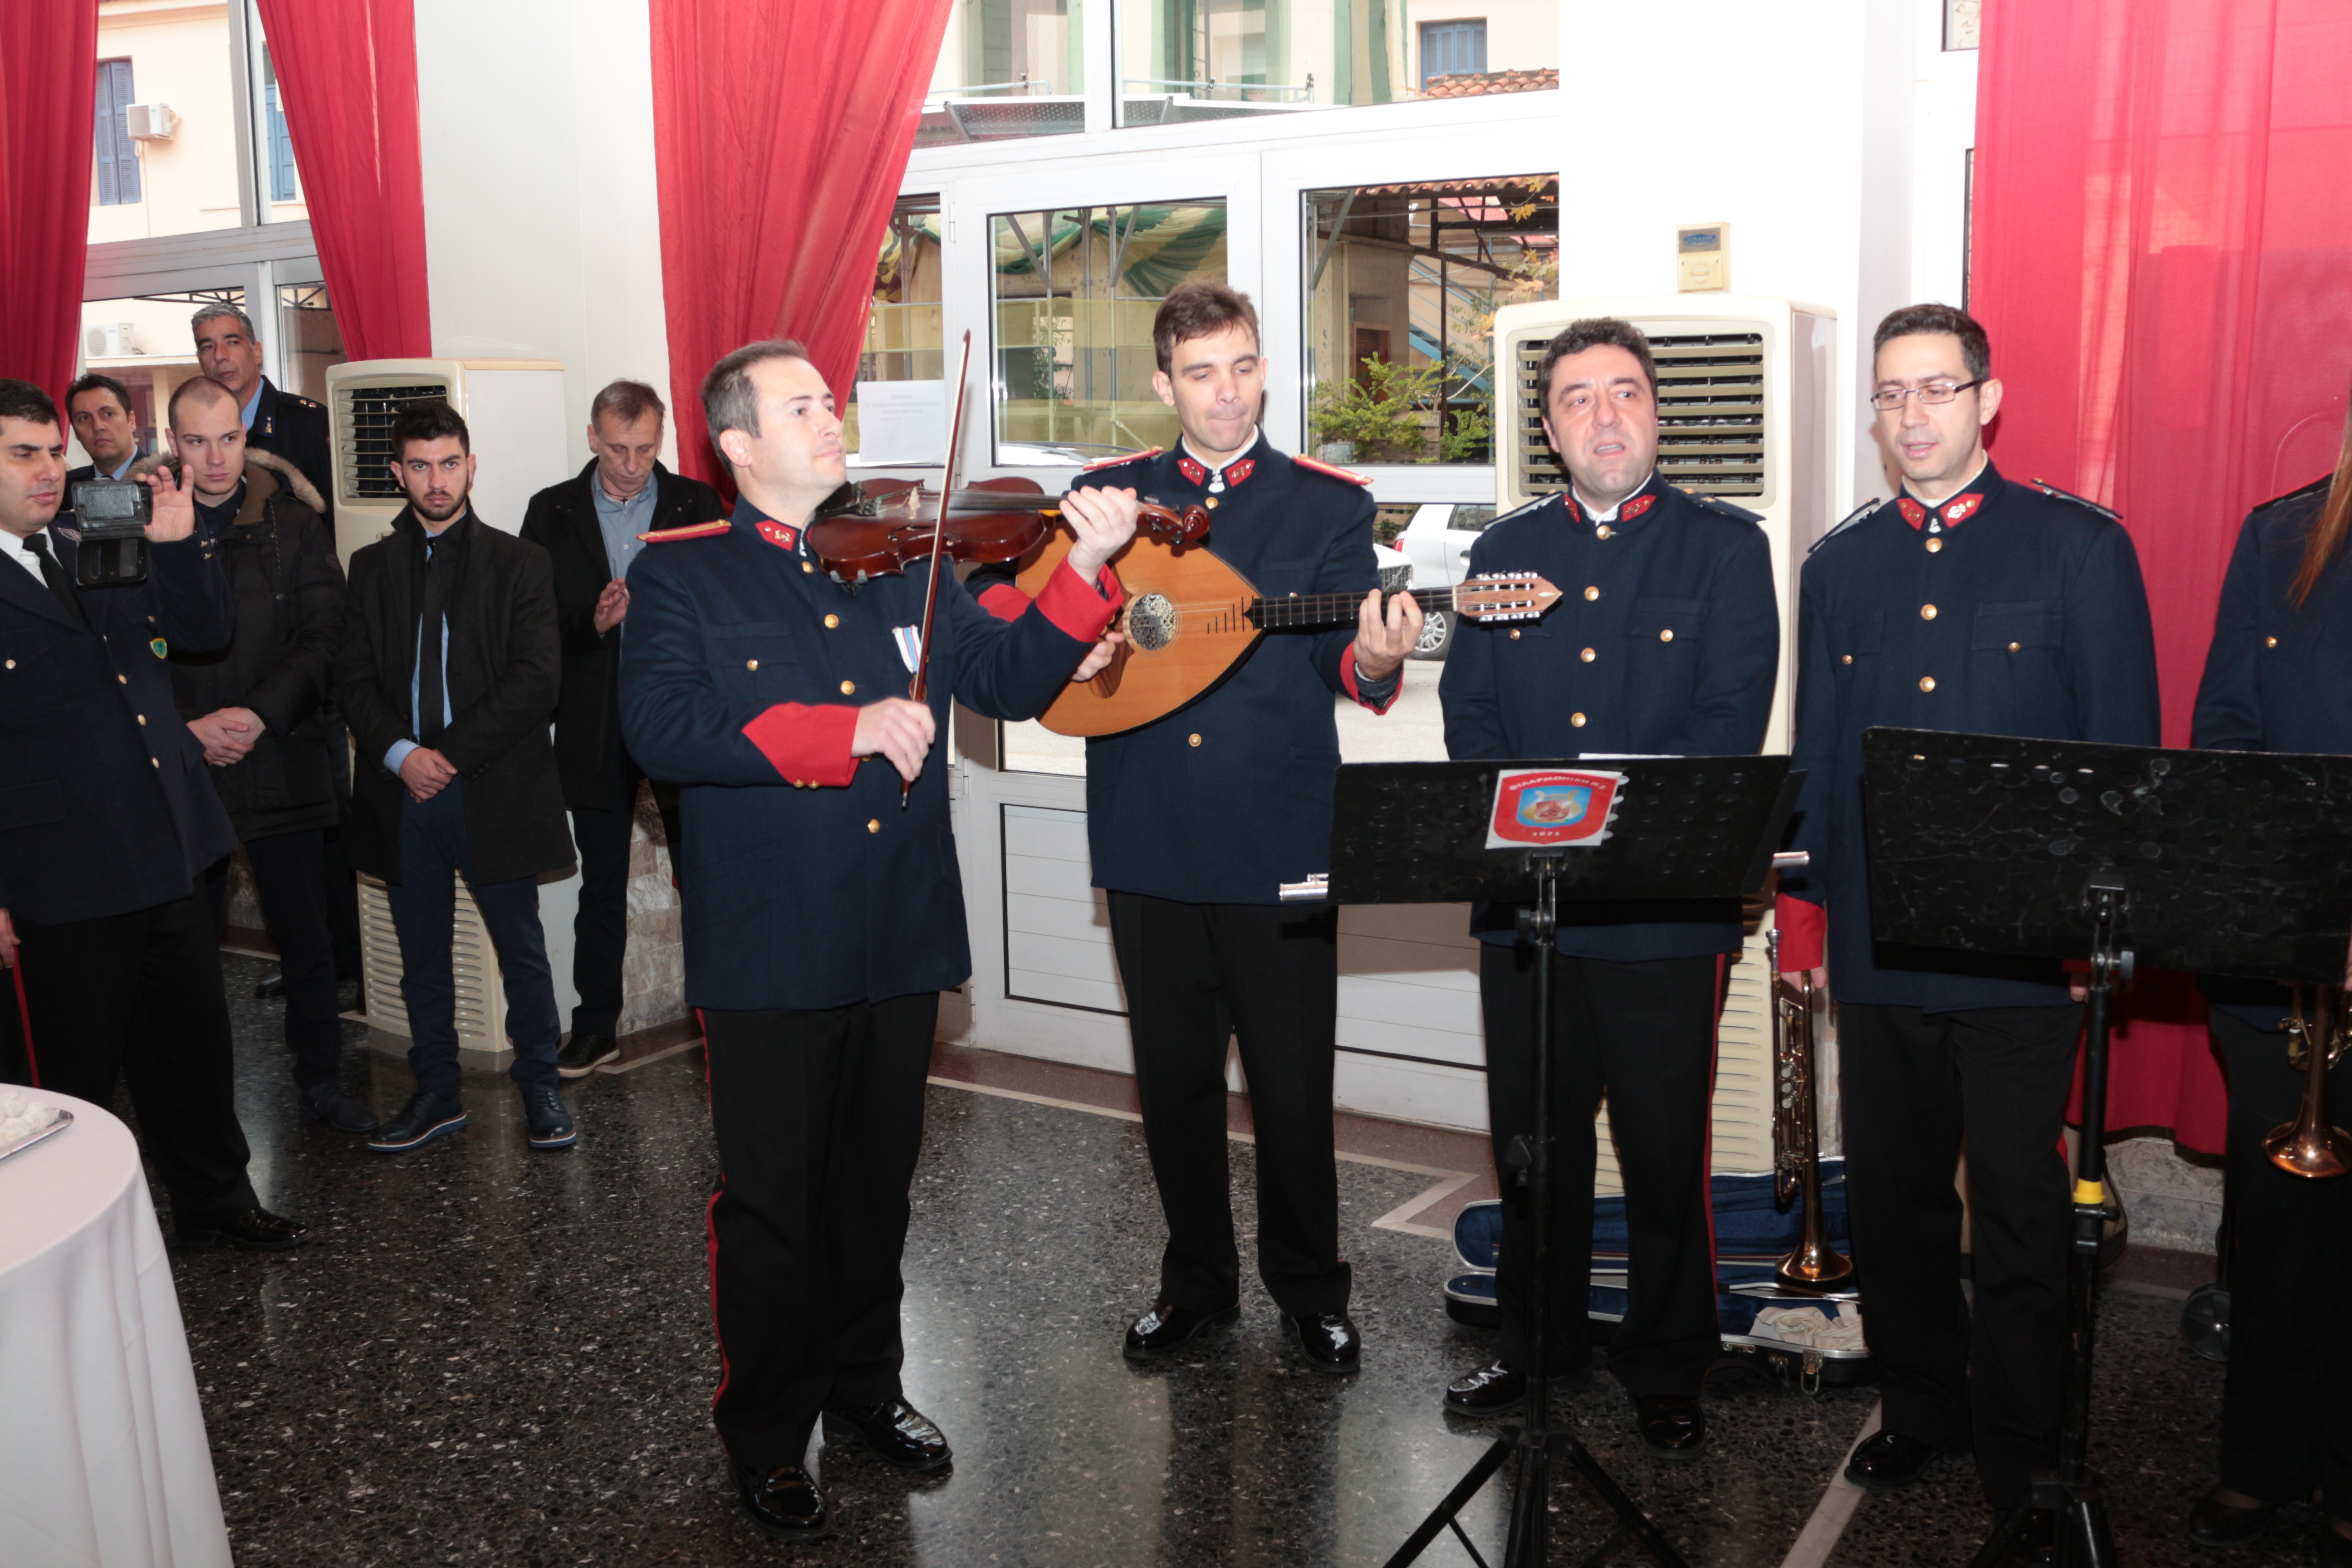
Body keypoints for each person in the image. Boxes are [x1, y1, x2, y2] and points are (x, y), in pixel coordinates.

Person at [619, 339, 1132, 1542]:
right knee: (773, 1206)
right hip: (769, 946)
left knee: (872, 1191)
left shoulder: (909, 564)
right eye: (801, 406)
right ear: (738, 444)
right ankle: (767, 1430)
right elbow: (662, 727)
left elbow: (1008, 679)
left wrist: (1082, 568)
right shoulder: (682, 574)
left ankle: (864, 1388)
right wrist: (840, 730)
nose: (830, 418)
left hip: (897, 932)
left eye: (830, 401)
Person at [1775, 304, 2161, 1556]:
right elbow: (1819, 763)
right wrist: (1810, 927)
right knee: (1892, 1198)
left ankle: (2024, 1445)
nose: (1912, 414)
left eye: (1936, 388)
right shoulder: (1838, 563)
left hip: (2018, 951)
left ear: (1987, 400)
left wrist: (2098, 932)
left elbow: (2121, 763)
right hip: (1880, 942)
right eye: (1891, 393)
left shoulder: (2078, 548)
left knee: (2016, 1204)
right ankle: (1921, 1405)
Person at [1062, 282, 1421, 1375]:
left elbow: (1340, 659)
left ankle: (1310, 1290)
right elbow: (1053, 642)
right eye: (1203, 372)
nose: (1228, 393)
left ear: (1266, 371)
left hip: (1279, 838)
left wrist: (1376, 658)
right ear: (1164, 384)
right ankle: (1195, 1286)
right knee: (1172, 1086)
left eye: (1245, 366)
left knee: (1290, 1083)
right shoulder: (1106, 499)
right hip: (1151, 835)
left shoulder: (1327, 505)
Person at [1436, 318, 1779, 1455]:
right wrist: (1537, 834)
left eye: (1624, 392)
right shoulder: (1503, 551)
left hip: (1659, 910)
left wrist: (1607, 833)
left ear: (1656, 413)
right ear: (1549, 429)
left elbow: (1725, 726)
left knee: (1662, 1144)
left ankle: (1667, 1359)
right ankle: (1536, 1342)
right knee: (1533, 1146)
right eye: (1577, 398)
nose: (1604, 416)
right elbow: (1471, 718)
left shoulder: (1724, 549)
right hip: (1527, 908)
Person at [0, 377, 306, 1251]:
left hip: (163, 839)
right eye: (23, 455)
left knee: (190, 1048)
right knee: (72, 1071)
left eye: (53, 451)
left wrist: (177, 547)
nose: (49, 469)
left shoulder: (91, 532)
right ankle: (64, 1234)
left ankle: (217, 1202)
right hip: (58, 867)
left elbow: (202, 634)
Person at [2184, 396, 2352, 1568]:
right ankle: (2263, 1458)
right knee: (2280, 1228)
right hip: (2285, 962)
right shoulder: (2280, 535)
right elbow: (2227, 738)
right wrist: (2300, 917)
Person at [335, 399, 574, 1154]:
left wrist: (444, 756)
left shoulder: (521, 562)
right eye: (419, 466)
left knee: (521, 952)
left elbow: (536, 681)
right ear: (397, 472)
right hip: (402, 793)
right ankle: (436, 1092)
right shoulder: (371, 568)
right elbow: (352, 680)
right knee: (422, 959)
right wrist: (403, 755)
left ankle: (541, 1087)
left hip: (492, 788)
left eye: (448, 464)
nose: (436, 481)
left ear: (471, 466)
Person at [141, 377, 368, 1132]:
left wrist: (258, 713)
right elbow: (128, 655)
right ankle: (199, 1104)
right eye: (196, 441)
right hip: (184, 766)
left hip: (282, 752)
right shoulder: (145, 526)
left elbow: (325, 635)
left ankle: (322, 1081)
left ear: (247, 435)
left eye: (228, 438)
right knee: (186, 952)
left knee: (307, 940)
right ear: (173, 443)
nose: (215, 457)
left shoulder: (294, 521)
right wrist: (189, 728)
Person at [519, 378, 722, 1076]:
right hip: (594, 718)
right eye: (617, 450)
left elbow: (727, 608)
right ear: (593, 439)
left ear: (661, 440)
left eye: (645, 449)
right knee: (602, 883)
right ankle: (595, 1027)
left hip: (683, 712)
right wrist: (595, 622)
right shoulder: (552, 510)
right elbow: (530, 624)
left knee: (704, 874)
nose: (632, 465)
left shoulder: (696, 503)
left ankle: (722, 1018)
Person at [191, 304, 332, 512]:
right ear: (200, 361)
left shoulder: (308, 423)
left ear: (257, 352)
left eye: (232, 342)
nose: (220, 355)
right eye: (207, 347)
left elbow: (333, 518)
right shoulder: (195, 429)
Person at [65, 372, 140, 484]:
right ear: (76, 432)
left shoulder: (165, 481)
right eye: (84, 418)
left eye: (108, 414)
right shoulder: (66, 488)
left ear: (131, 421)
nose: (98, 427)